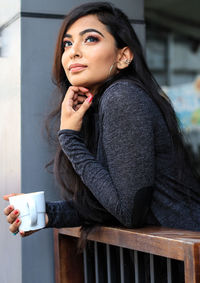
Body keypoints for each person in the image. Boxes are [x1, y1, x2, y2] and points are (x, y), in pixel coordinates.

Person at [3, 2, 200, 280]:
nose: (73, 51)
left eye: (91, 39)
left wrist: (69, 138)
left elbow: (128, 211)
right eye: (67, 44)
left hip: (186, 262)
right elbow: (113, 202)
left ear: (123, 57)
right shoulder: (103, 106)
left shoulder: (123, 97)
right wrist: (48, 214)